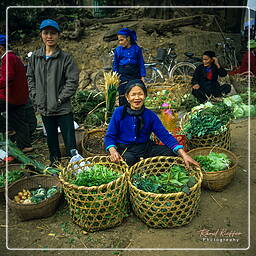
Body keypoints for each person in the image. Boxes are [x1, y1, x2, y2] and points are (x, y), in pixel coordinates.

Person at [104, 79, 199, 168]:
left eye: (140, 94)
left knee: (171, 153)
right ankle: (142, 167)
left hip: (145, 148)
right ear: (127, 97)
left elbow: (165, 136)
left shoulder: (150, 115)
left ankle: (148, 167)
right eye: (133, 95)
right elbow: (110, 136)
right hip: (125, 149)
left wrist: (183, 154)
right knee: (128, 160)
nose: (137, 98)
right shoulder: (119, 112)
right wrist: (113, 151)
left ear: (145, 96)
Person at [27, 19, 79, 166]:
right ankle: (55, 164)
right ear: (41, 35)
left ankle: (74, 165)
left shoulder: (66, 58)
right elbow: (30, 78)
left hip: (62, 107)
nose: (49, 36)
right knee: (51, 138)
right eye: (46, 33)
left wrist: (60, 99)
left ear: (58, 36)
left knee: (69, 139)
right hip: (44, 107)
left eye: (53, 33)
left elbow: (72, 81)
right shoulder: (35, 58)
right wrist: (35, 96)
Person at [0, 34, 33, 152]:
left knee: (16, 119)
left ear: (0, 48)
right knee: (20, 122)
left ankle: (6, 128)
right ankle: (25, 146)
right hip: (20, 97)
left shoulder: (7, 58)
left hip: (12, 98)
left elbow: (7, 78)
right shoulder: (13, 57)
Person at [112, 28, 146, 106]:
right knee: (123, 93)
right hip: (122, 74)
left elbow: (141, 63)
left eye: (122, 40)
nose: (120, 42)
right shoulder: (118, 50)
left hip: (134, 73)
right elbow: (115, 64)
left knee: (135, 91)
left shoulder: (136, 49)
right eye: (119, 40)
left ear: (128, 38)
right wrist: (115, 75)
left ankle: (136, 111)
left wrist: (142, 76)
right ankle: (123, 112)